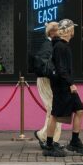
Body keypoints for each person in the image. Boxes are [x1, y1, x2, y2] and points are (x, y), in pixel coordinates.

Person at [43, 19, 83, 157]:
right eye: (72, 28)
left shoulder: (63, 45)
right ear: (69, 30)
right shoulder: (60, 47)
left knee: (80, 110)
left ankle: (74, 142)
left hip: (65, 85)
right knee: (55, 115)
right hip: (62, 86)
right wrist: (71, 83)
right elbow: (61, 69)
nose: (74, 30)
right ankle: (49, 146)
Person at [33, 20, 62, 150]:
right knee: (54, 109)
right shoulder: (48, 45)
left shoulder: (50, 44)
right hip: (46, 80)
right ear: (52, 32)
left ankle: (51, 138)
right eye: (59, 29)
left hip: (47, 79)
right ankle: (45, 136)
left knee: (54, 109)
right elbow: (45, 64)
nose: (61, 32)